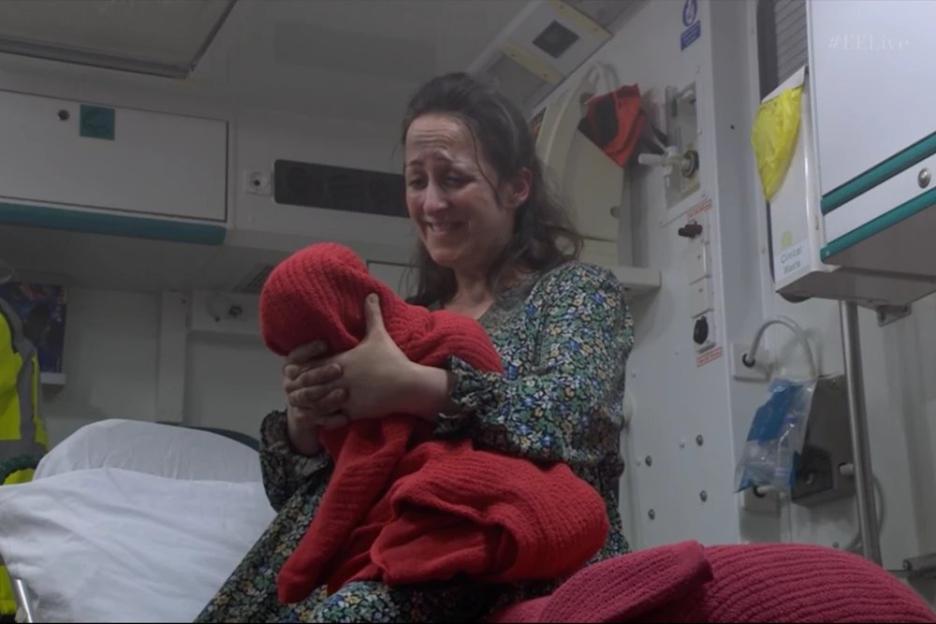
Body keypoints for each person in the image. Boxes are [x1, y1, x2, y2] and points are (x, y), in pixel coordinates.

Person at [196, 72, 634, 623]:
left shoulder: (572, 292)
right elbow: (302, 493)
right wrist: (306, 419)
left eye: (453, 179)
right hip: (386, 551)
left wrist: (417, 388)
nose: (431, 203)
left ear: (517, 187)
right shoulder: (404, 322)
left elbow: (578, 419)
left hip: (518, 547)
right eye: (416, 180)